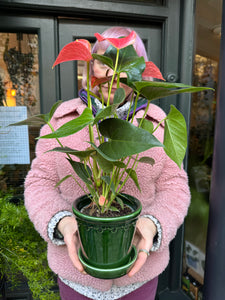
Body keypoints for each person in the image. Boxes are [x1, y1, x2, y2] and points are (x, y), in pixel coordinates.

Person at [24, 26, 190, 300]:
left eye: (125, 62)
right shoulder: (62, 120)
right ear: (91, 66)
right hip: (76, 276)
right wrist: (62, 222)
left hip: (139, 276)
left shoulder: (157, 122)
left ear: (138, 71)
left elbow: (175, 186)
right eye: (104, 60)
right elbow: (39, 182)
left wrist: (153, 224)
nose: (114, 72)